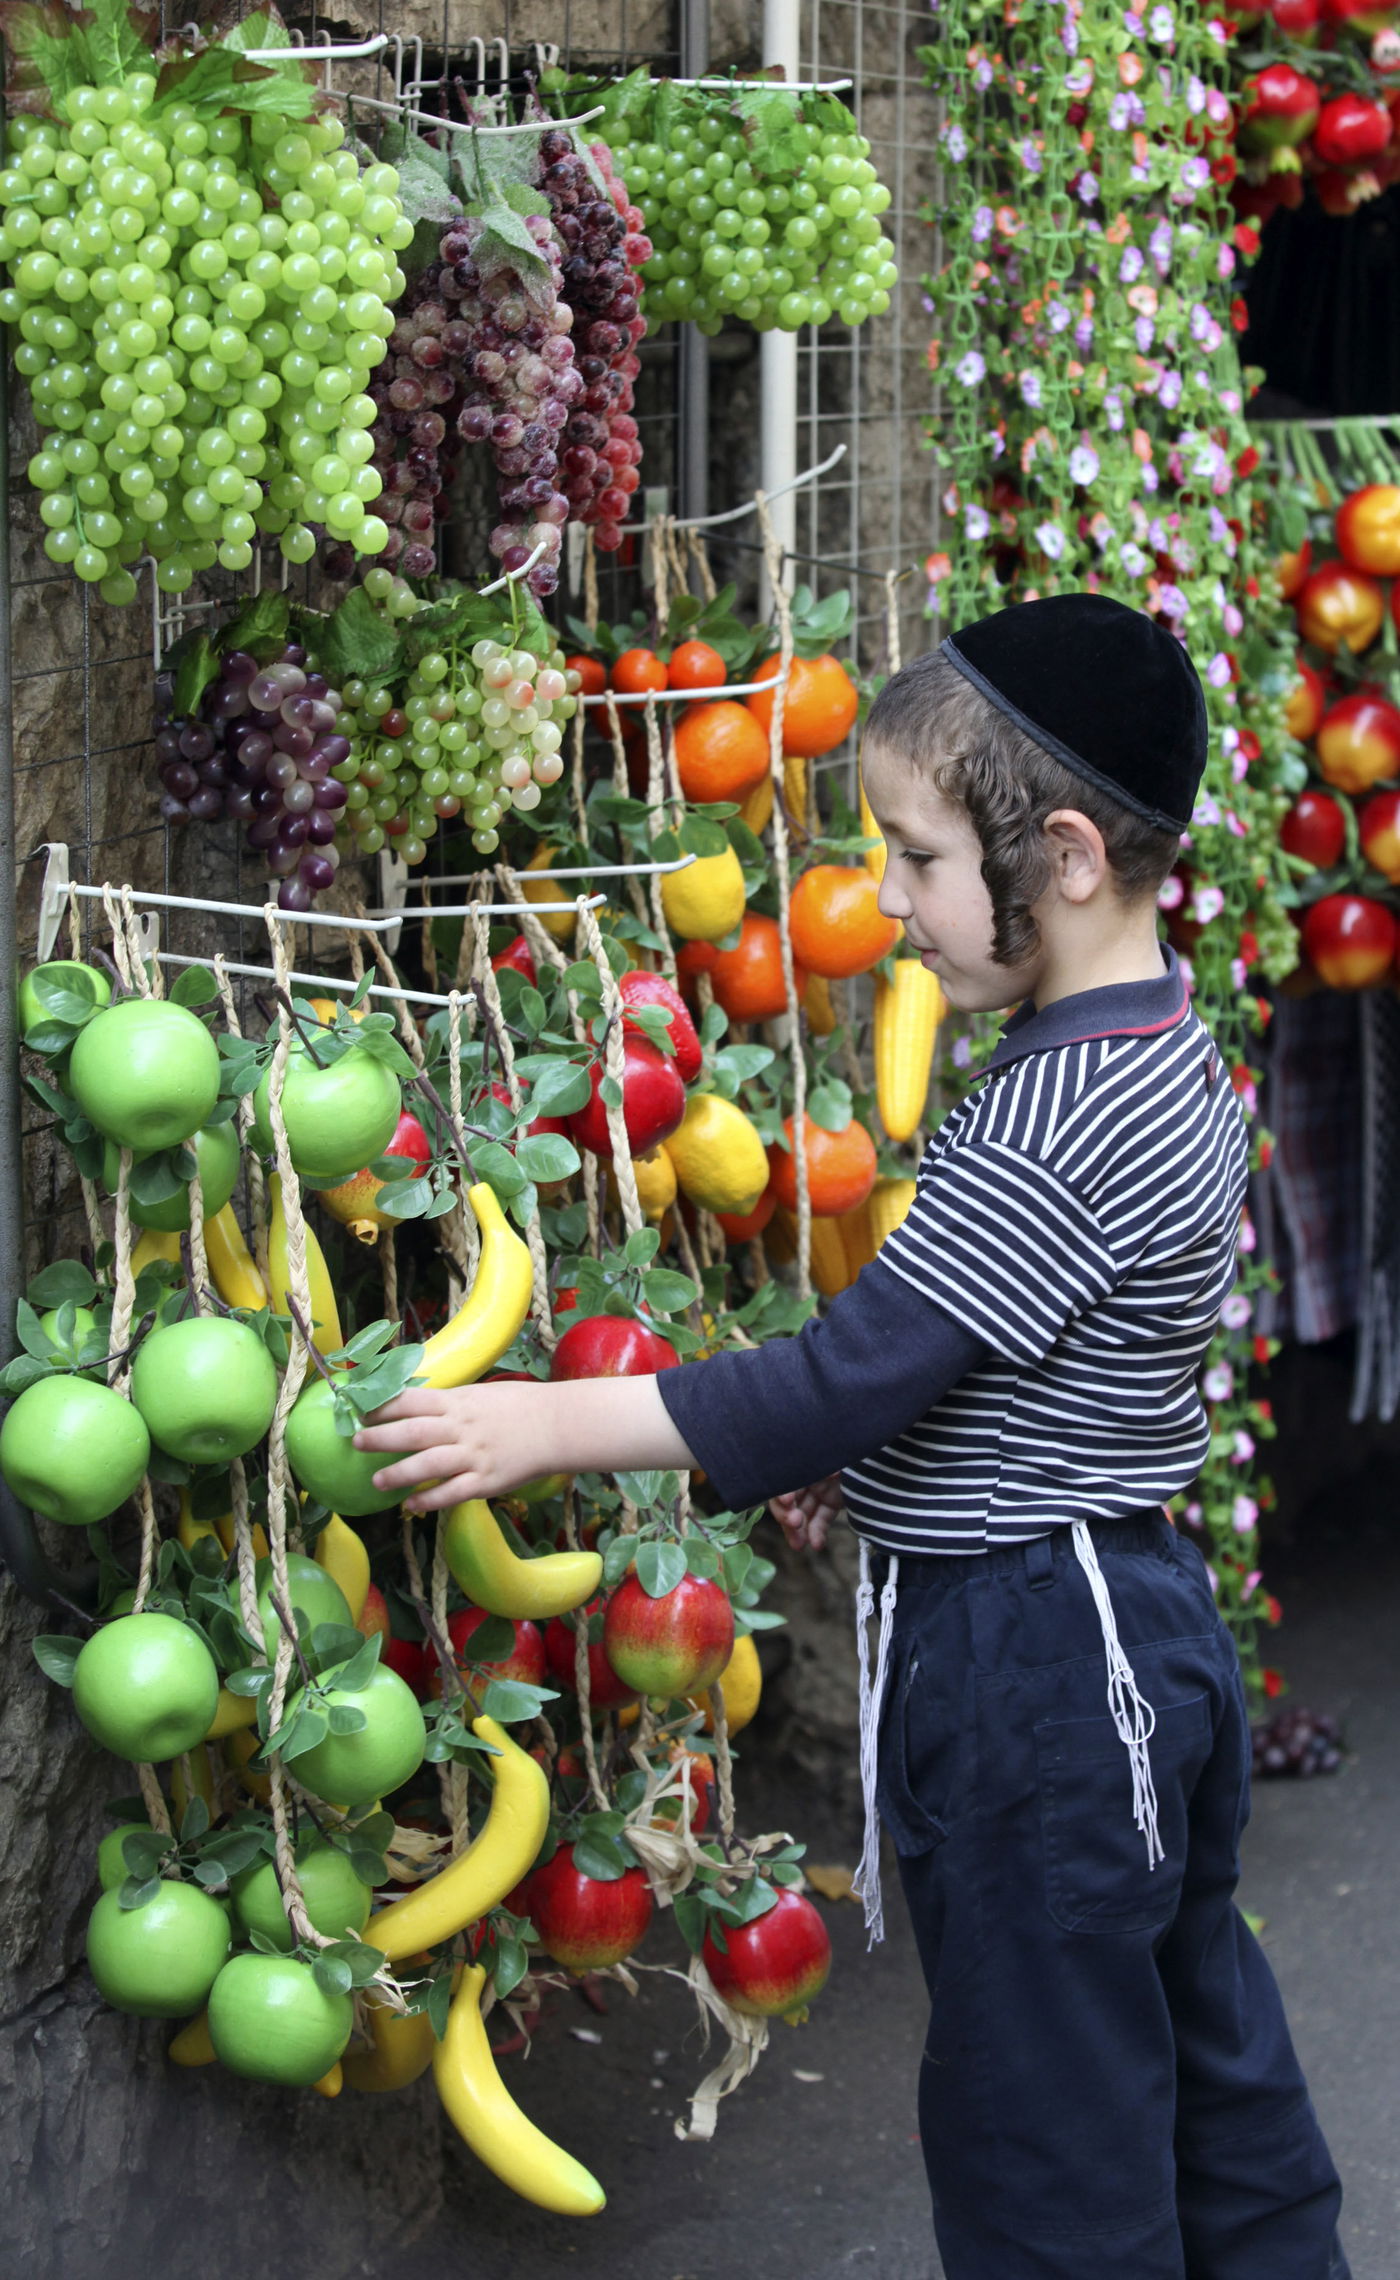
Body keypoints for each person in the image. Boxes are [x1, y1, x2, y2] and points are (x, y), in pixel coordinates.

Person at [355, 594, 1348, 2280]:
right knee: (1202, 2065)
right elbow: (1023, 1362)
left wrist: (543, 1424)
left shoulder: (1052, 1117)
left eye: (918, 856)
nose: (884, 899)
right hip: (1129, 1628)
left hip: (1036, 1672)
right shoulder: (1156, 1052)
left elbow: (847, 1373)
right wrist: (884, 1457)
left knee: (1045, 2135)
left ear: (1067, 858)